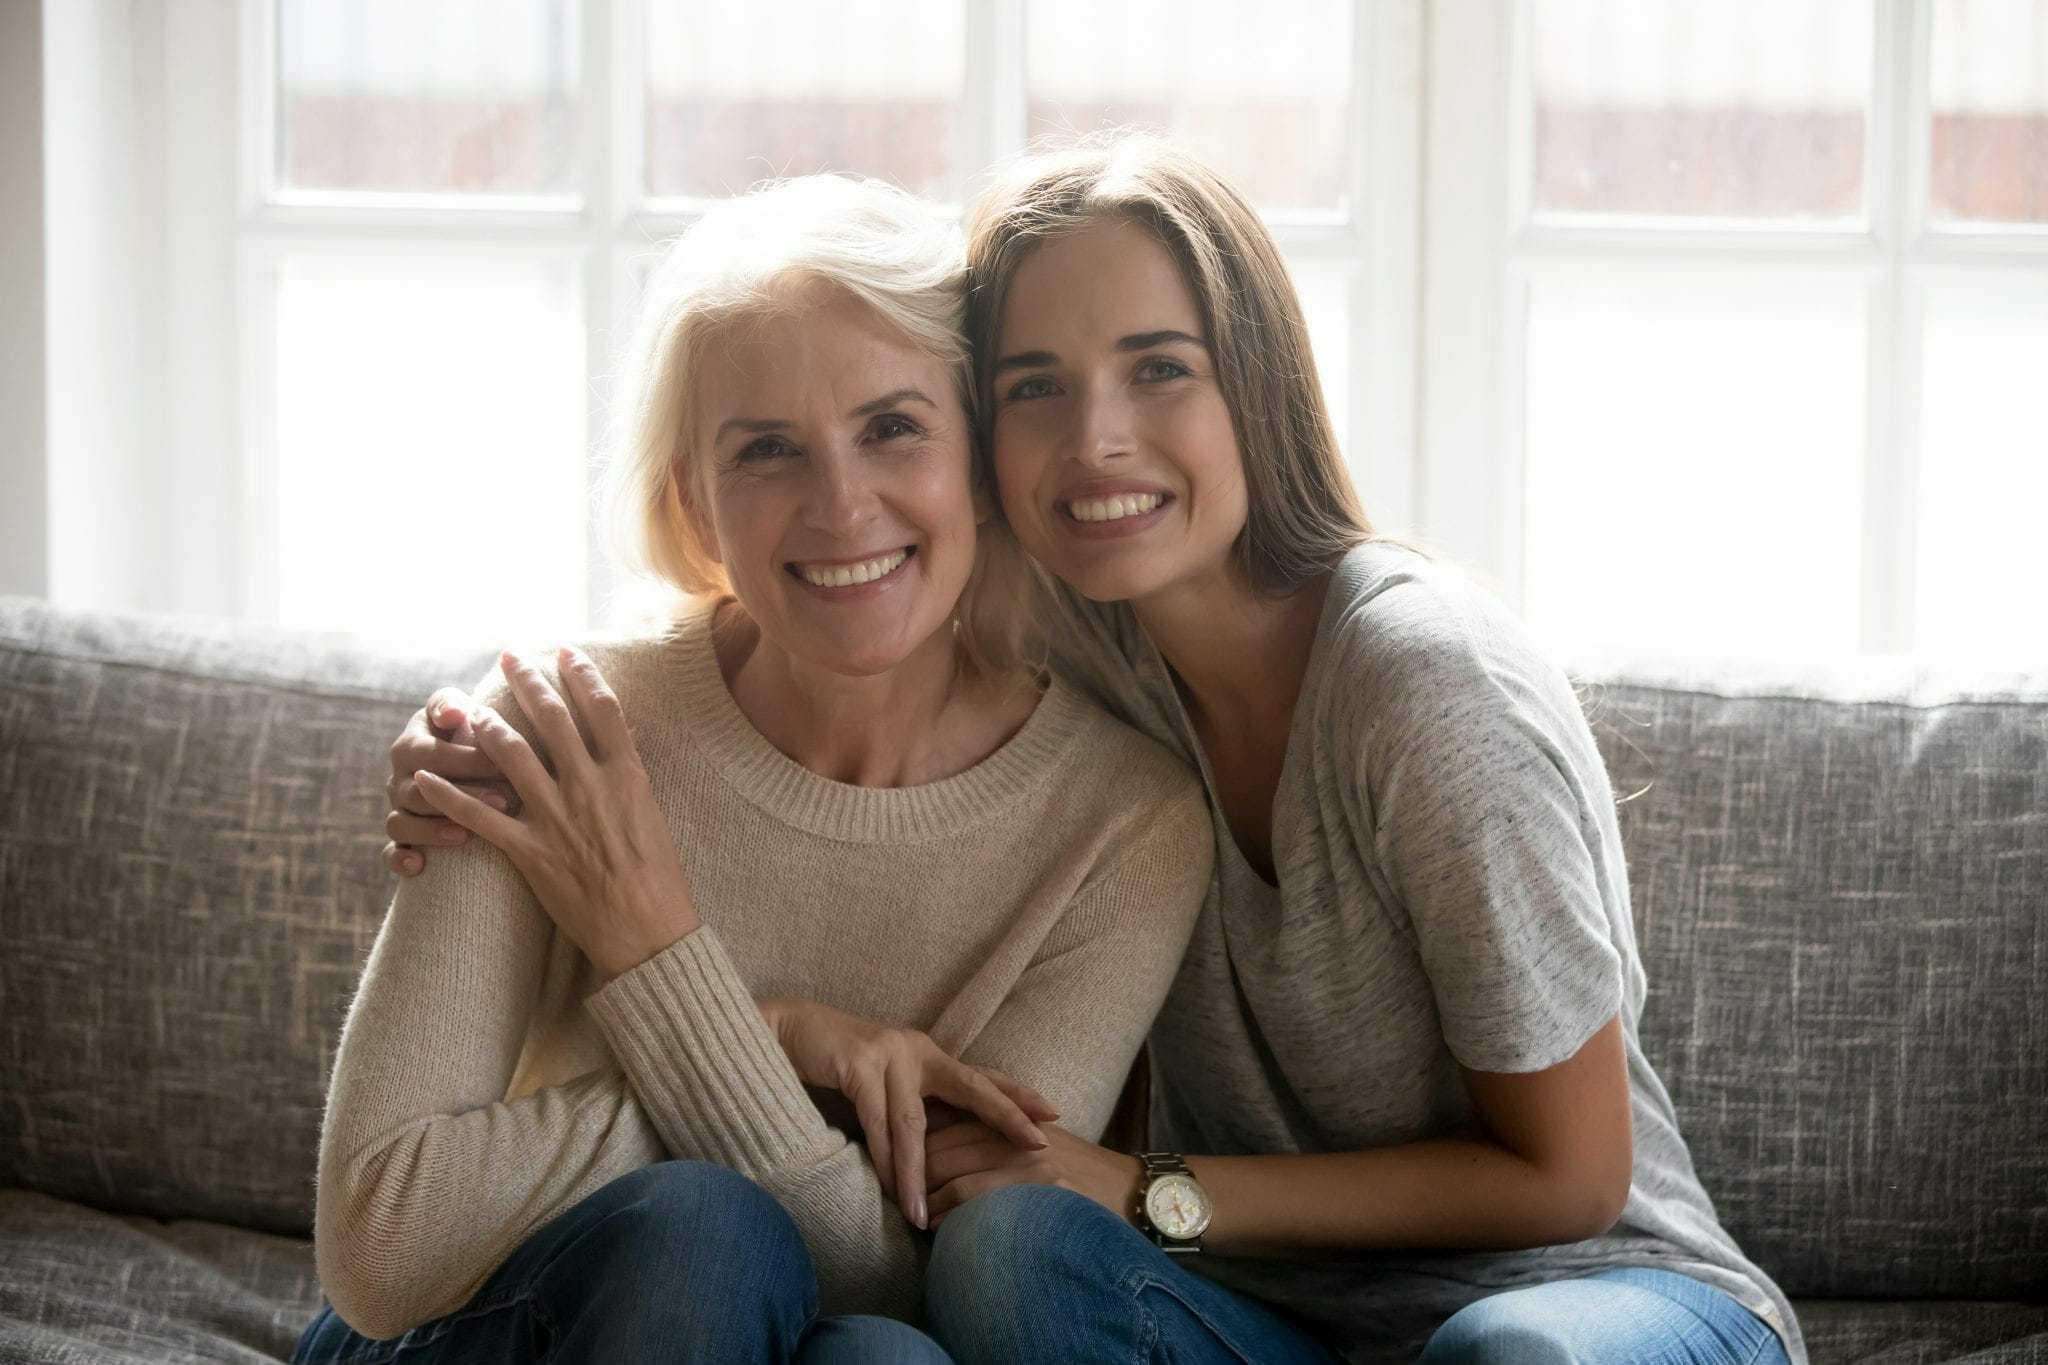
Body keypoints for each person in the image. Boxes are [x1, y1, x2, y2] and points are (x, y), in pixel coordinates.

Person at [385, 139, 1806, 1365]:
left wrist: (1149, 1189)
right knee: (1001, 1256)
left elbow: (1574, 1172)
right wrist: (468, 738)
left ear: (1256, 383)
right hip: (1264, 1323)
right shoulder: (1080, 640)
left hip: (1586, 1302)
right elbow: (825, 564)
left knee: (1506, 1355)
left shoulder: (1428, 687)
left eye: (1157, 370)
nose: (1098, 442)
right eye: (1037, 388)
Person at [295, 172, 1213, 1365]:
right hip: (492, 1329)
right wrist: (772, 1039)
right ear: (695, 499)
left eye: (891, 428)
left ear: (980, 467)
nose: (839, 506)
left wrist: (656, 963)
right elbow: (383, 1243)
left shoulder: (1122, 823)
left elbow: (933, 1287)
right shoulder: (556, 738)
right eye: (766, 452)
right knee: (698, 1231)